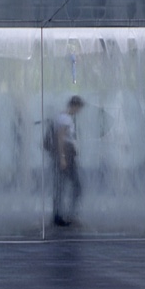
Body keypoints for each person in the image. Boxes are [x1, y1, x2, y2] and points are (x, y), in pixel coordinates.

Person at [46, 95, 84, 227]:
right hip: (66, 157)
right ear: (75, 106)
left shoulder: (61, 117)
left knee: (60, 186)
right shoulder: (65, 119)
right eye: (79, 108)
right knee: (77, 187)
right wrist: (62, 158)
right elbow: (60, 138)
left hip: (63, 156)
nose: (79, 111)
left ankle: (58, 215)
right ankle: (67, 215)